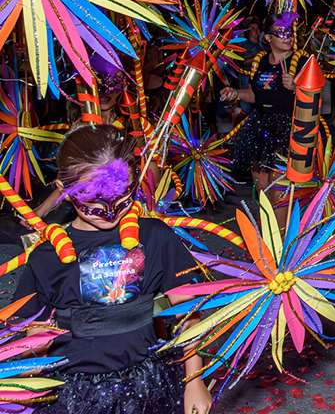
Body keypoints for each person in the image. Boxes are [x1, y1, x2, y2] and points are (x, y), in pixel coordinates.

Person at [12, 125, 212, 414]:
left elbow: (189, 313)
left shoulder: (155, 236)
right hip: (71, 391)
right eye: (93, 198)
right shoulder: (46, 256)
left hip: (147, 382)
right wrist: (21, 386)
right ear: (65, 190)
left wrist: (194, 379)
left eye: (122, 195)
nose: (110, 209)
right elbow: (35, 333)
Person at [220, 12, 311, 193]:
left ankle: (283, 223)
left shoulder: (302, 61)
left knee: (279, 188)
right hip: (261, 127)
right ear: (268, 37)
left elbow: (314, 100)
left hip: (289, 128)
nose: (288, 37)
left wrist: (295, 87)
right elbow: (256, 94)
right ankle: (266, 222)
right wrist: (235, 93)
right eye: (281, 33)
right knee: (261, 187)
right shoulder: (259, 60)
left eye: (290, 32)